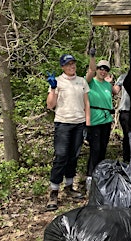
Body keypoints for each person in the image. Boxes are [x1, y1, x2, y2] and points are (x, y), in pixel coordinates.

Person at [45, 53, 90, 211]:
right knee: (61, 156)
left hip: (78, 123)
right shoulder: (57, 81)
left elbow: (86, 103)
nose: (72, 66)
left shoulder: (81, 81)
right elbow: (50, 105)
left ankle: (69, 187)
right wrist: (52, 88)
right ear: (62, 67)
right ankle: (54, 191)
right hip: (63, 123)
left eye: (73, 63)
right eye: (68, 64)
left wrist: (87, 123)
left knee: (74, 156)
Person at [85, 54, 116, 189]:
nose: (103, 71)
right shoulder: (90, 82)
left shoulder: (107, 85)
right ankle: (90, 177)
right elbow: (90, 71)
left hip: (106, 120)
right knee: (95, 149)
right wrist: (92, 57)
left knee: (103, 148)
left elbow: (115, 91)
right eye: (101, 68)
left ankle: (100, 175)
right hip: (94, 120)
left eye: (105, 69)